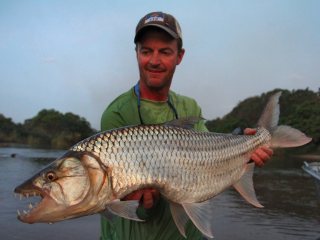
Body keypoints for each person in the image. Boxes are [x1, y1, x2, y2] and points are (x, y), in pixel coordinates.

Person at [100, 11, 273, 240]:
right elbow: (117, 204)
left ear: (179, 56)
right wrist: (141, 201)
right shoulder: (117, 113)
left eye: (164, 52)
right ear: (136, 54)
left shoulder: (189, 106)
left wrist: (244, 146)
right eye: (146, 51)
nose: (154, 60)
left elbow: (208, 158)